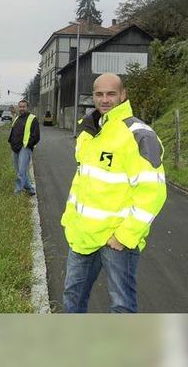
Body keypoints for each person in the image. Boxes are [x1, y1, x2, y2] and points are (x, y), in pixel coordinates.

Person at [61, 73, 167, 313]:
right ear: (93, 97)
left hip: (116, 240)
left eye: (111, 94)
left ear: (123, 95)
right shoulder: (89, 131)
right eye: (99, 94)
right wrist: (70, 221)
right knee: (72, 298)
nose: (105, 99)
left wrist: (124, 236)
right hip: (83, 235)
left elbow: (154, 192)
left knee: (121, 305)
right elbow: (83, 180)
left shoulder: (139, 135)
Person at [8, 99, 40, 196]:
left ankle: (17, 192)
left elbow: (36, 136)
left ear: (27, 107)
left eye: (23, 106)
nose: (22, 108)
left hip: (25, 148)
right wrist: (11, 143)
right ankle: (30, 189)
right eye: (20, 106)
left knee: (21, 172)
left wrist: (28, 145)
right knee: (19, 171)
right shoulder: (17, 118)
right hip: (15, 148)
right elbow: (13, 132)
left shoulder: (33, 119)